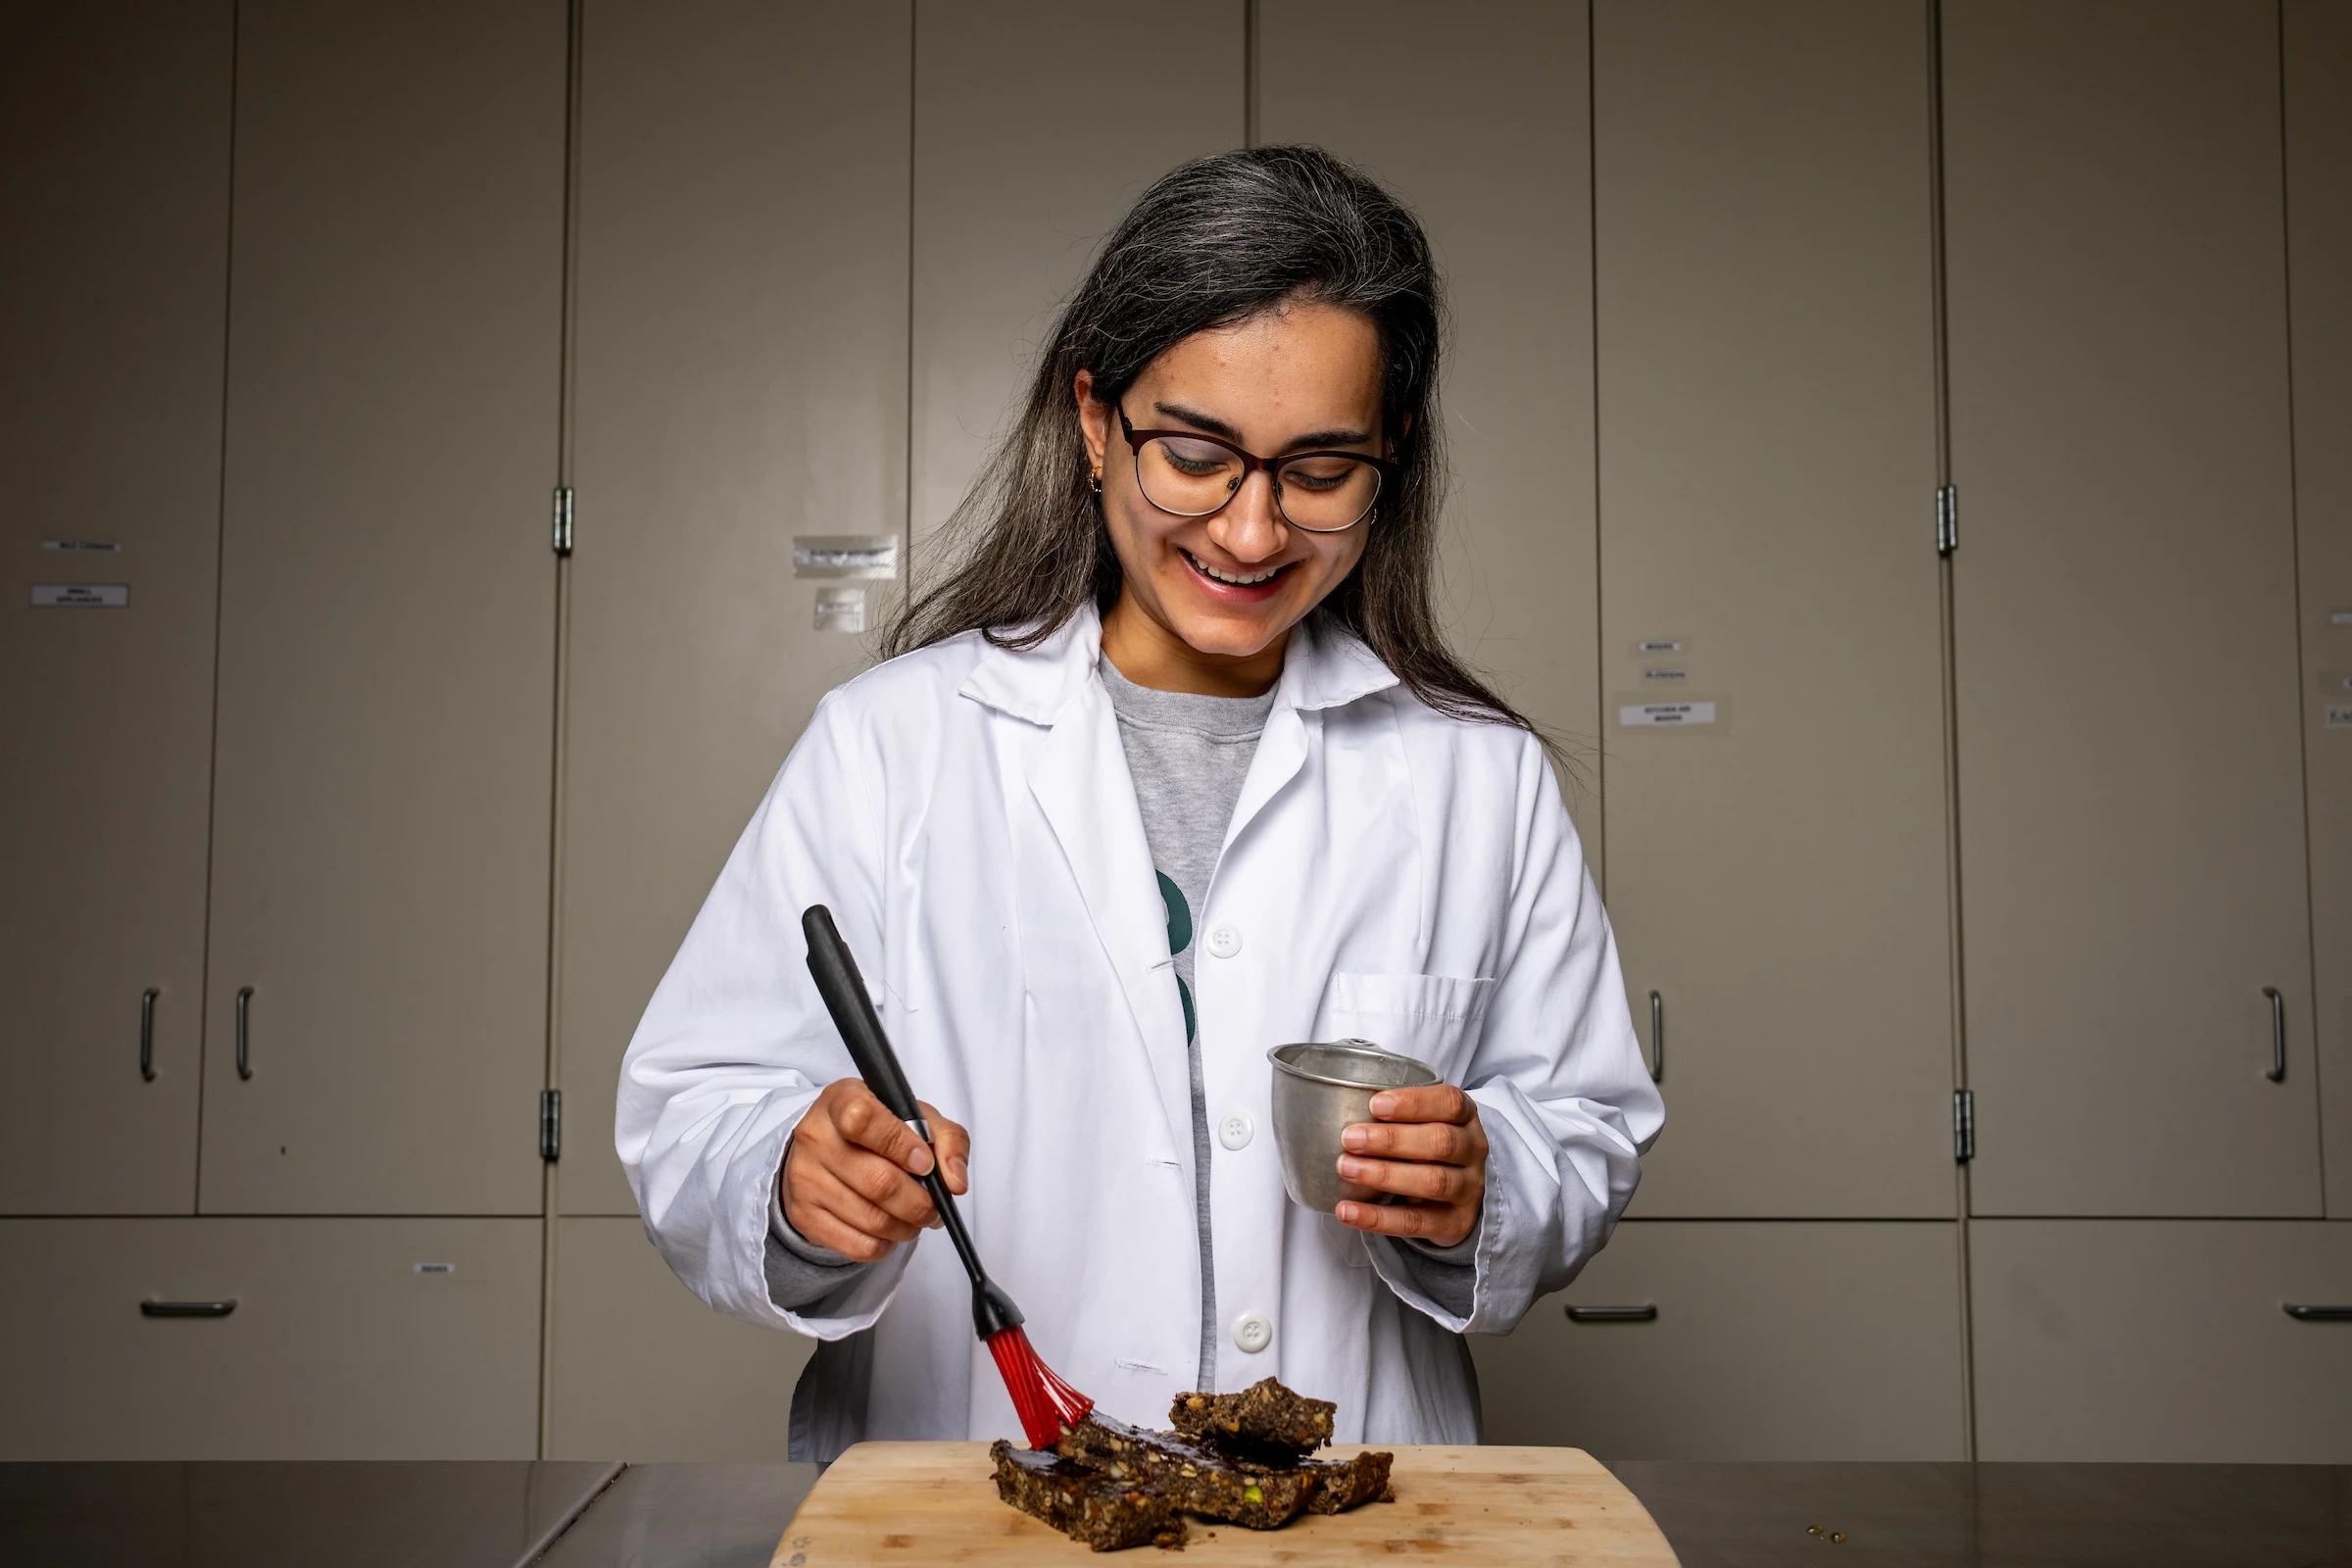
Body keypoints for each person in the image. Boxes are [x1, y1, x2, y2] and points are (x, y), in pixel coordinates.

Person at [616, 146, 1663, 1462]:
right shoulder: (895, 747)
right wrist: (791, 1178)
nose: (1249, 533)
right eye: (1195, 453)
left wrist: (1482, 1186)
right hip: (975, 1512)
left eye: (1320, 471)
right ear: (1096, 421)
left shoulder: (1475, 780)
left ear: (1390, 454)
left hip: (1345, 1527)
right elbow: (692, 1108)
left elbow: (1585, 1130)